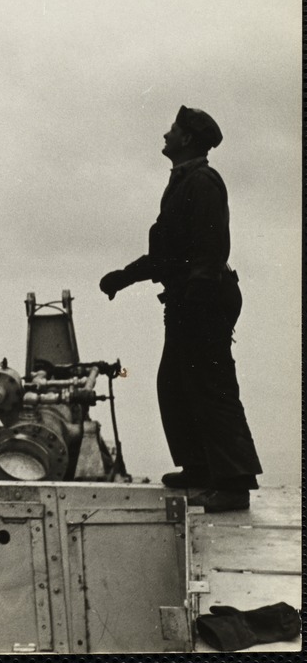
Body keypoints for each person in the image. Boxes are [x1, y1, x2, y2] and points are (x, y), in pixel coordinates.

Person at [99, 106, 261, 513]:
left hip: (203, 298)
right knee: (175, 382)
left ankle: (234, 482)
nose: (166, 134)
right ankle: (201, 466)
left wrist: (195, 300)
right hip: (190, 297)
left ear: (187, 139)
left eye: (172, 129)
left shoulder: (202, 182)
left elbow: (211, 250)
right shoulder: (183, 182)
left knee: (210, 384)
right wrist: (124, 276)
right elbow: (166, 254)